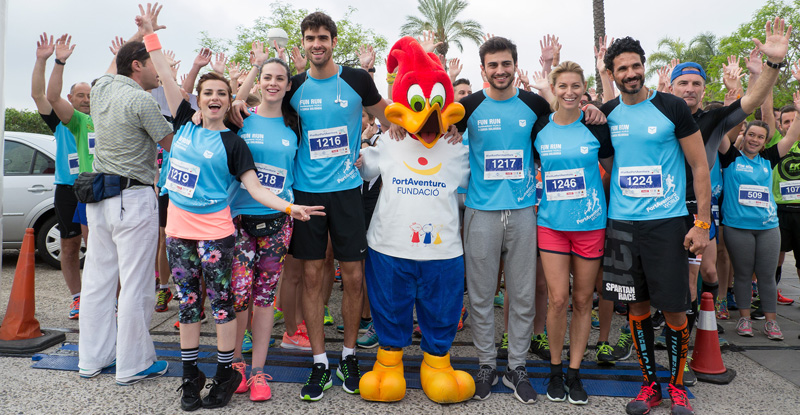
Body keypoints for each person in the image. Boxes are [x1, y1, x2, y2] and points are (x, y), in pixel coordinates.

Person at [137, 7, 323, 410]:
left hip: (236, 229)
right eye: (209, 93)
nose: (216, 99)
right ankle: (203, 375)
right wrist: (150, 35)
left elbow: (258, 186)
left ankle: (242, 371)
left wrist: (292, 208)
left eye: (222, 94)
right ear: (199, 99)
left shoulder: (246, 138)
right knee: (195, 303)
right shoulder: (198, 121)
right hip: (194, 230)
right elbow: (168, 78)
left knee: (239, 303)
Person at [240, 11, 394, 402]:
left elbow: (393, 120)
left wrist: (438, 127)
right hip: (306, 197)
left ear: (333, 41)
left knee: (354, 277)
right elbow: (256, 109)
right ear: (304, 43)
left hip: (346, 193)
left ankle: (349, 356)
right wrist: (243, 94)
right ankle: (320, 361)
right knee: (311, 277)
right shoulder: (292, 87)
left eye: (323, 37)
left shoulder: (358, 80)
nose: (316, 44)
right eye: (310, 38)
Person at [456, 36, 604, 404]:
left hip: (524, 213)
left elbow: (566, 115)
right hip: (480, 211)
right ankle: (487, 364)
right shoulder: (468, 107)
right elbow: (430, 130)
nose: (500, 70)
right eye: (493, 65)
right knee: (480, 294)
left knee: (522, 295)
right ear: (483, 70)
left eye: (506, 64)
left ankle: (516, 367)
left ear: (515, 66)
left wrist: (593, 109)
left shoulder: (534, 104)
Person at [666, 17, 790, 382]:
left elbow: (751, 100)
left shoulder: (714, 119)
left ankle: (682, 356)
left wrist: (771, 65)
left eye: (696, 84)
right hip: (654, 213)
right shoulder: (654, 113)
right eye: (683, 83)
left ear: (704, 90)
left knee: (697, 280)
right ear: (671, 86)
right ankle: (664, 333)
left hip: (694, 213)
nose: (689, 89)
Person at [600, 36, 711, 415]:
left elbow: (699, 167)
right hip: (623, 226)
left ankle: (677, 386)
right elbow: (614, 167)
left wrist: (702, 223)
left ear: (644, 66)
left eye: (635, 66)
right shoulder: (608, 114)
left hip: (667, 224)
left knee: (676, 309)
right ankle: (650, 386)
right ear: (612, 75)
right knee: (637, 309)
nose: (630, 74)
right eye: (622, 69)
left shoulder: (671, 106)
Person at [78, 3, 173, 387]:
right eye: (151, 63)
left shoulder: (100, 89)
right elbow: (172, 142)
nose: (155, 69)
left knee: (98, 282)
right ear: (138, 65)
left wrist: (141, 32)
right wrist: (148, 34)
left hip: (98, 199)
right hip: (131, 199)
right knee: (136, 284)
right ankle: (132, 363)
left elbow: (112, 64)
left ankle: (92, 358)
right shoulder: (141, 100)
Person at [533, 61, 613, 405]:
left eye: (575, 87)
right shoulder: (539, 128)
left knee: (583, 300)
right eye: (562, 86)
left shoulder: (596, 127)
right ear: (554, 88)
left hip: (590, 226)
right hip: (551, 226)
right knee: (558, 299)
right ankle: (554, 369)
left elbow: (616, 170)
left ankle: (575, 372)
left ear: (584, 90)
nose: (569, 92)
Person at [227, 42, 300, 402]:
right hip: (239, 221)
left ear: (288, 85)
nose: (273, 83)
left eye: (279, 78)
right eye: (267, 77)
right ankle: (236, 364)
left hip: (277, 222)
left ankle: (258, 370)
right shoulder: (242, 118)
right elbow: (222, 109)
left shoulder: (294, 125)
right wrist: (254, 68)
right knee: (239, 295)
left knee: (264, 298)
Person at [721, 116, 800, 341]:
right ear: (744, 136)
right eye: (751, 135)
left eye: (760, 137)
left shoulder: (769, 158)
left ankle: (771, 322)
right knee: (744, 275)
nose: (754, 140)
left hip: (768, 228)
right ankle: (744, 318)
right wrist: (733, 110)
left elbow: (792, 135)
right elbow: (720, 134)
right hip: (737, 227)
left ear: (766, 142)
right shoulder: (730, 158)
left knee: (766, 276)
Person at [30, 32, 83, 319]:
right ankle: (77, 298)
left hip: (98, 188)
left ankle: (109, 299)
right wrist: (43, 60)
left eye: (90, 95)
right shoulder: (62, 122)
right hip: (67, 189)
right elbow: (39, 94)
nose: (86, 100)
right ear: (69, 98)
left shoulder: (99, 120)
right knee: (69, 245)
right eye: (80, 96)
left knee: (103, 249)